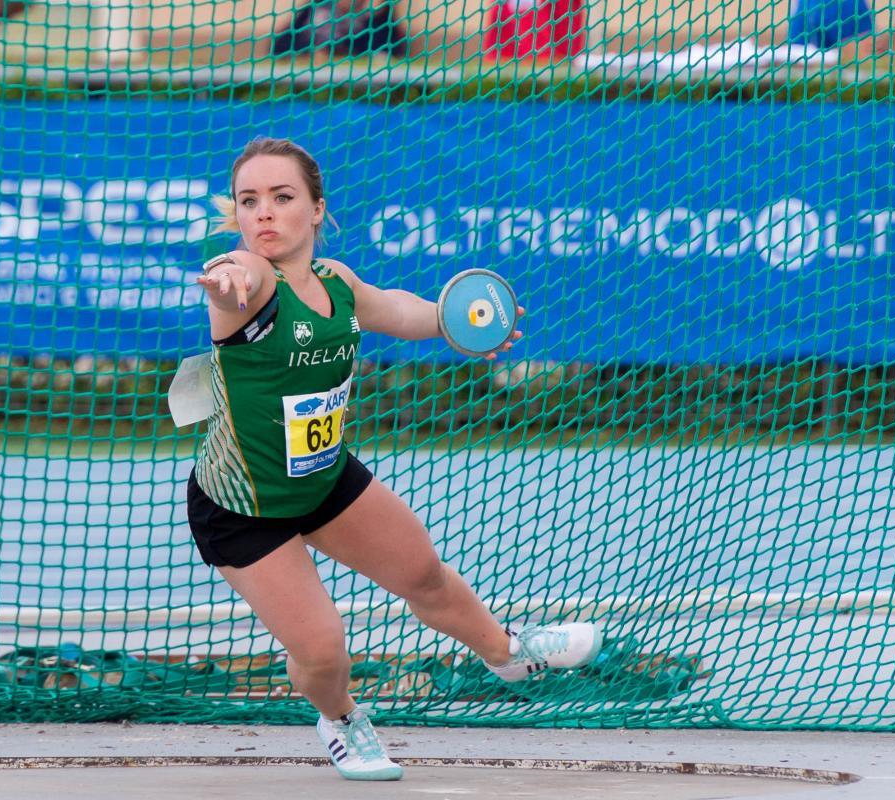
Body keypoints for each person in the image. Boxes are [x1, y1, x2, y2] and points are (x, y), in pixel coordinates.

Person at [186, 137, 603, 782]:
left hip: (323, 476)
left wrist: (452, 320)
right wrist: (227, 274)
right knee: (324, 653)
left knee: (425, 576)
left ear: (317, 209)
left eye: (282, 197)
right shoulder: (250, 282)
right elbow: (233, 274)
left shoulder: (336, 283)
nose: (263, 212)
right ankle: (341, 719)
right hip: (245, 508)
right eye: (249, 200)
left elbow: (396, 310)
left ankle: (507, 652)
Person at [271, 0, 410, 59]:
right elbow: (281, 45)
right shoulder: (317, 8)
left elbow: (392, 51)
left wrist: (342, 51)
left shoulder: (378, 19)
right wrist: (312, 52)